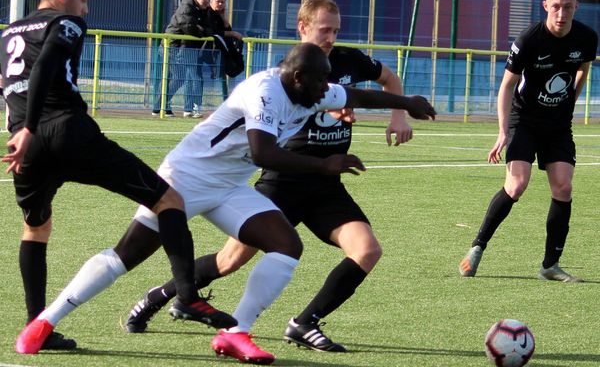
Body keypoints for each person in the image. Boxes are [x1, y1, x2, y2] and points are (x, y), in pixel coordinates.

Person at [34, 42, 436, 364]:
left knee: (285, 245)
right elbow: (263, 153)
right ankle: (44, 323)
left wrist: (407, 103)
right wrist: (326, 164)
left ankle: (236, 334)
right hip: (185, 179)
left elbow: (356, 94)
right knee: (128, 254)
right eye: (319, 83)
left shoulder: (311, 88)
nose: (325, 91)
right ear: (297, 77)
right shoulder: (263, 91)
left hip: (229, 186)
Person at [125, 0, 422, 360]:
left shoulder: (349, 60)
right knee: (229, 261)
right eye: (324, 29)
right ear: (303, 28)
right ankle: (160, 296)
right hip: (283, 181)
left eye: (336, 30)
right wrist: (334, 109)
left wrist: (399, 115)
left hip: (327, 184)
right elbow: (276, 125)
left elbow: (387, 78)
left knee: (367, 251)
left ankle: (305, 322)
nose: (331, 37)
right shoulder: (289, 72)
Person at [1, 0, 234, 355]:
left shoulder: (8, 33)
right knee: (168, 200)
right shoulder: (67, 22)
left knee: (35, 229)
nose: (85, 7)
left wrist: (21, 126)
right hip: (67, 132)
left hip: (26, 147)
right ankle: (188, 296)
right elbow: (45, 66)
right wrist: (30, 124)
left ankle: (36, 325)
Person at [458, 0, 597, 282]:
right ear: (546, 6)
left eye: (568, 7)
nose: (561, 13)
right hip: (525, 119)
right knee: (516, 185)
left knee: (564, 188)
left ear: (576, 7)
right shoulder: (529, 39)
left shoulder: (587, 37)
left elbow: (584, 68)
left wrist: (571, 98)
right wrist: (502, 131)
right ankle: (477, 247)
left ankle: (550, 265)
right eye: (556, 7)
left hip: (558, 125)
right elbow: (507, 85)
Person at [152, 0, 218, 118]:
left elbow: (209, 27)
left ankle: (161, 106)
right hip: (171, 46)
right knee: (177, 77)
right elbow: (188, 26)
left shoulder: (204, 11)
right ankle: (159, 106)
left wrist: (202, 29)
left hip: (182, 47)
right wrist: (202, 32)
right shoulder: (187, 7)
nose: (206, 1)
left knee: (177, 78)